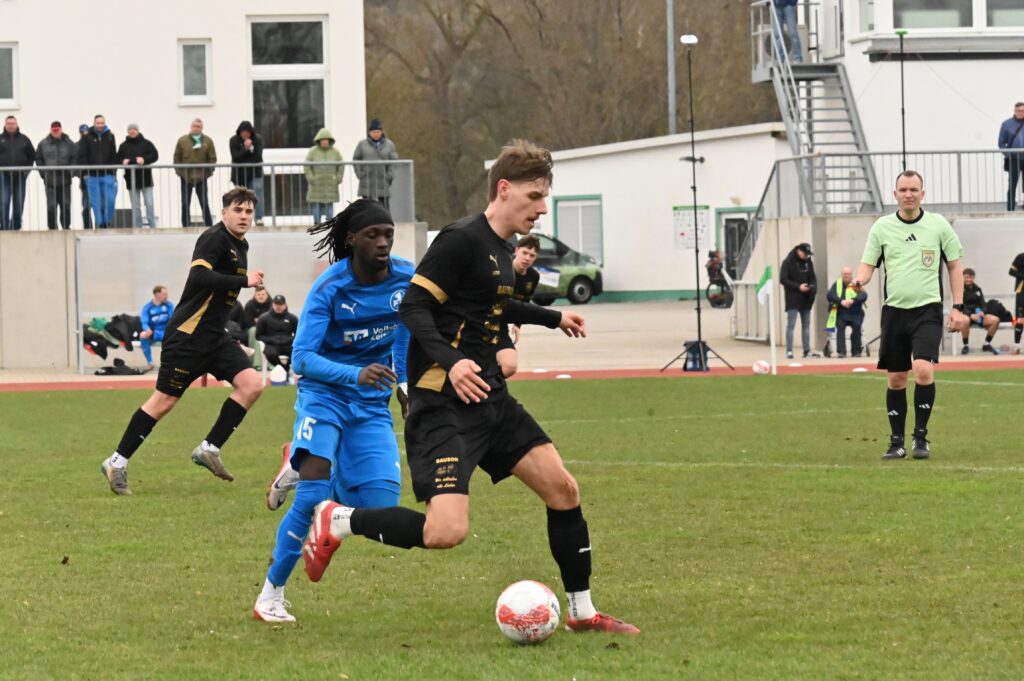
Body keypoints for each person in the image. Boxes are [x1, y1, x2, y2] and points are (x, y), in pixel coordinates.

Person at [301, 140, 639, 635]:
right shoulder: (460, 240)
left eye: (544, 197)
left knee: (563, 490)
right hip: (444, 405)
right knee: (446, 531)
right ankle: (339, 519)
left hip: (490, 398)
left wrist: (553, 318)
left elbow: (493, 306)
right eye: (534, 196)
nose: (542, 209)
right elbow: (413, 307)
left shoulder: (503, 251)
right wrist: (453, 361)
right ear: (504, 189)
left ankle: (582, 613)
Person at [253, 199, 413, 623]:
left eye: (388, 235)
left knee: (381, 505)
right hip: (324, 396)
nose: (383, 243)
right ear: (352, 240)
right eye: (373, 236)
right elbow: (302, 359)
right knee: (310, 496)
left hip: (371, 401)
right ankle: (270, 596)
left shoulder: (406, 278)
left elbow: (404, 332)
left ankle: (300, 465)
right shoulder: (330, 287)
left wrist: (403, 382)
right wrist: (355, 373)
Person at [99, 188, 265, 495]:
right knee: (164, 401)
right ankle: (116, 462)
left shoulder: (241, 244)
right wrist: (244, 281)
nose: (244, 216)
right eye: (238, 210)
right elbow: (199, 277)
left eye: (248, 211)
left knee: (252, 384)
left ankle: (209, 448)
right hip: (188, 336)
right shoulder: (213, 238)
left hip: (215, 336)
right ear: (224, 212)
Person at [851, 170, 965, 460]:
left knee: (923, 369)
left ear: (922, 194)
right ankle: (896, 442)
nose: (908, 194)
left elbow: (954, 266)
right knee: (897, 379)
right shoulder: (882, 227)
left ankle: (920, 438)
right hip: (894, 312)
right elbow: (868, 264)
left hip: (927, 310)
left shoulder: (938, 225)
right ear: (895, 194)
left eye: (914, 189)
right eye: (903, 190)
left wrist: (958, 306)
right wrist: (860, 280)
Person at [496, 234, 541, 378]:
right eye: (525, 253)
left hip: (501, 326)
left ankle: (492, 385)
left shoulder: (533, 277)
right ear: (516, 250)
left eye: (532, 255)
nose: (527, 258)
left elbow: (525, 302)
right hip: (483, 322)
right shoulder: (502, 269)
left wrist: (517, 324)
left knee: (510, 366)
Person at [173, 118, 217, 227]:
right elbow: (176, 158)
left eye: (199, 126)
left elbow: (212, 159)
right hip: (185, 177)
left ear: (202, 128)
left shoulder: (208, 141)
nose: (196, 128)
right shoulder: (182, 140)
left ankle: (209, 225)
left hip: (202, 177)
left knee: (204, 203)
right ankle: (186, 226)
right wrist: (180, 173)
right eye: (194, 126)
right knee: (185, 203)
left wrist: (208, 173)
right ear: (191, 127)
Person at [77, 114, 118, 228]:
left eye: (102, 123)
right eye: (98, 123)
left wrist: (113, 172)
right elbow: (82, 156)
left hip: (107, 174)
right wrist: (85, 173)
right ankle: (100, 224)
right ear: (94, 123)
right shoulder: (87, 137)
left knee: (110, 200)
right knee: (96, 203)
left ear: (105, 123)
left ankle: (107, 221)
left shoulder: (110, 136)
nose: (100, 125)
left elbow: (113, 154)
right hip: (91, 176)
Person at [780, 242, 819, 359]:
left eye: (808, 254)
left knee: (806, 325)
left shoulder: (808, 263)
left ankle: (806, 350)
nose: (806, 256)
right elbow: (783, 279)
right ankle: (789, 350)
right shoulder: (788, 262)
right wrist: (798, 287)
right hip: (793, 297)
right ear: (798, 251)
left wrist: (812, 287)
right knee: (791, 324)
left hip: (806, 298)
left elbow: (813, 278)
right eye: (805, 253)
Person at [35, 121, 76, 230]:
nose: (56, 132)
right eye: (54, 130)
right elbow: (38, 159)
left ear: (61, 129)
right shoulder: (43, 144)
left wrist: (71, 172)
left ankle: (66, 227)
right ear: (51, 130)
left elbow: (74, 158)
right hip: (50, 180)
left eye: (57, 130)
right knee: (51, 205)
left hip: (65, 179)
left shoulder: (69, 143)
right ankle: (52, 228)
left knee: (66, 204)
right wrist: (43, 174)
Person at [117, 123, 159, 228]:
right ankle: (138, 227)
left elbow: (155, 155)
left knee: (149, 203)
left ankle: (152, 226)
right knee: (135, 205)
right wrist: (122, 161)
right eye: (130, 129)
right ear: (128, 131)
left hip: (146, 179)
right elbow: (117, 158)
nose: (132, 131)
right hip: (131, 180)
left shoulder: (147, 143)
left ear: (138, 131)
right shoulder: (123, 146)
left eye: (134, 129)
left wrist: (144, 160)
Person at [352, 119, 398, 209]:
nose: (376, 134)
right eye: (374, 132)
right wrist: (360, 174)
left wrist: (389, 175)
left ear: (381, 132)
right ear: (369, 133)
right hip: (366, 180)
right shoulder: (362, 144)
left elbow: (394, 162)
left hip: (383, 181)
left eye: (378, 132)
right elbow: (356, 159)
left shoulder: (390, 145)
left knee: (384, 207)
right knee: (366, 207)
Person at [0, 115, 36, 231]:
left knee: (19, 203)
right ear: (5, 125)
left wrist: (26, 171)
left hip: (20, 176)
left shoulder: (24, 139)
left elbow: (32, 156)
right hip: (3, 176)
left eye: (13, 123)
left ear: (16, 124)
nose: (11, 126)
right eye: (9, 124)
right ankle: (4, 227)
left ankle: (15, 227)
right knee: (4, 202)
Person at [957, 268, 1002, 355]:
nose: (969, 279)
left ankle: (986, 344)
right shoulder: (960, 290)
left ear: (973, 278)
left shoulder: (978, 289)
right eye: (966, 277)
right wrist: (970, 315)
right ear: (963, 278)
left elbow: (983, 303)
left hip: (979, 315)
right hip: (967, 315)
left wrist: (982, 312)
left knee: (996, 320)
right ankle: (966, 345)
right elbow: (961, 306)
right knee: (964, 321)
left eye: (971, 277)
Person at [304, 127, 343, 224]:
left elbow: (341, 165)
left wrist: (338, 178)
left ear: (329, 141)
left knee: (329, 205)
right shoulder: (312, 152)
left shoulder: (335, 152)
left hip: (331, 184)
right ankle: (317, 224)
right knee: (316, 205)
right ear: (319, 141)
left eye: (326, 140)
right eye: (322, 140)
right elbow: (307, 165)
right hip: (316, 184)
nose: (324, 142)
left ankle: (329, 225)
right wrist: (311, 178)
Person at [825, 266, 867, 358]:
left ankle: (856, 351)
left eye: (849, 274)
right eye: (845, 274)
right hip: (841, 313)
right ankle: (841, 352)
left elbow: (864, 295)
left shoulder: (856, 284)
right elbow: (830, 295)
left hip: (855, 313)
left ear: (852, 275)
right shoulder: (837, 284)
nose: (847, 276)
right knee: (840, 326)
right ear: (841, 275)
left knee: (857, 325)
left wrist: (853, 300)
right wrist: (841, 301)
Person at [229, 121, 265, 225]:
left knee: (257, 193)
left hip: (255, 173)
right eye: (243, 132)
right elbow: (236, 158)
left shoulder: (257, 140)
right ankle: (239, 219)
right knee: (240, 199)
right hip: (239, 175)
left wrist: (244, 159)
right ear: (239, 132)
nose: (245, 134)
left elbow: (258, 157)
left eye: (247, 132)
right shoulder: (233, 140)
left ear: (251, 132)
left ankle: (259, 218)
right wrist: (246, 149)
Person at [255, 294, 299, 368]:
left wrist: (290, 339)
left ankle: (286, 368)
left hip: (288, 344)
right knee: (271, 354)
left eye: (280, 304)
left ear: (285, 305)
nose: (278, 307)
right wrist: (271, 340)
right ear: (273, 305)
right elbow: (258, 336)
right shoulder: (264, 318)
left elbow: (298, 334)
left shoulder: (292, 318)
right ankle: (284, 368)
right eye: (276, 304)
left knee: (298, 352)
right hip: (271, 345)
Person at [140, 284, 174, 370]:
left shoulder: (169, 305)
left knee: (176, 338)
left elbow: (173, 321)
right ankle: (150, 363)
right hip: (154, 332)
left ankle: (169, 363)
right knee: (143, 335)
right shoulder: (147, 307)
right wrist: (147, 330)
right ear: (157, 294)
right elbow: (144, 322)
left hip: (166, 332)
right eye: (165, 294)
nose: (167, 296)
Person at [998, 102, 1024, 211]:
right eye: (1018, 111)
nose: (1020, 113)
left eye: (1022, 111)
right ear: (1014, 111)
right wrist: (1010, 155)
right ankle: (1010, 210)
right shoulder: (1007, 124)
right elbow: (1001, 143)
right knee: (1012, 186)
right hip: (1014, 159)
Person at [76, 124, 93, 229]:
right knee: (86, 206)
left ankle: (100, 226)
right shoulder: (77, 145)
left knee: (98, 205)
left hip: (96, 179)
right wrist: (79, 174)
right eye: (83, 132)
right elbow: (75, 162)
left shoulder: (94, 144)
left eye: (86, 132)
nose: (85, 134)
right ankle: (88, 227)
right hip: (84, 181)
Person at [1011, 251, 1024, 354]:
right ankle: (1017, 346)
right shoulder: (1020, 257)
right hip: (1022, 292)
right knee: (1020, 320)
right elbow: (1011, 271)